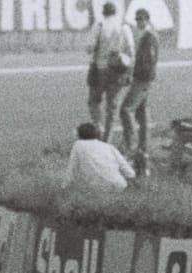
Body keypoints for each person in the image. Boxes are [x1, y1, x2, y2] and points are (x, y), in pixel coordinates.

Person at [86, 2, 136, 143]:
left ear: (103, 12)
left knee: (94, 101)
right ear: (116, 13)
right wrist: (130, 73)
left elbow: (89, 48)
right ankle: (107, 139)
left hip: (100, 69)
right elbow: (132, 52)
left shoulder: (99, 25)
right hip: (119, 70)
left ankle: (98, 128)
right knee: (112, 106)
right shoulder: (124, 27)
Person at [118, 8, 158, 158]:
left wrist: (136, 77)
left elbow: (149, 61)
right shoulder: (146, 34)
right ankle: (143, 147)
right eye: (137, 19)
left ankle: (131, 145)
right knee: (141, 114)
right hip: (143, 78)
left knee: (125, 109)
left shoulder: (149, 36)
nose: (139, 22)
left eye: (141, 19)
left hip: (143, 79)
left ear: (147, 19)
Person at [65, 121, 136, 191]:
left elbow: (72, 168)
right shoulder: (109, 146)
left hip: (95, 187)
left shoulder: (78, 145)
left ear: (79, 135)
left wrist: (65, 186)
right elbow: (129, 171)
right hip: (119, 185)